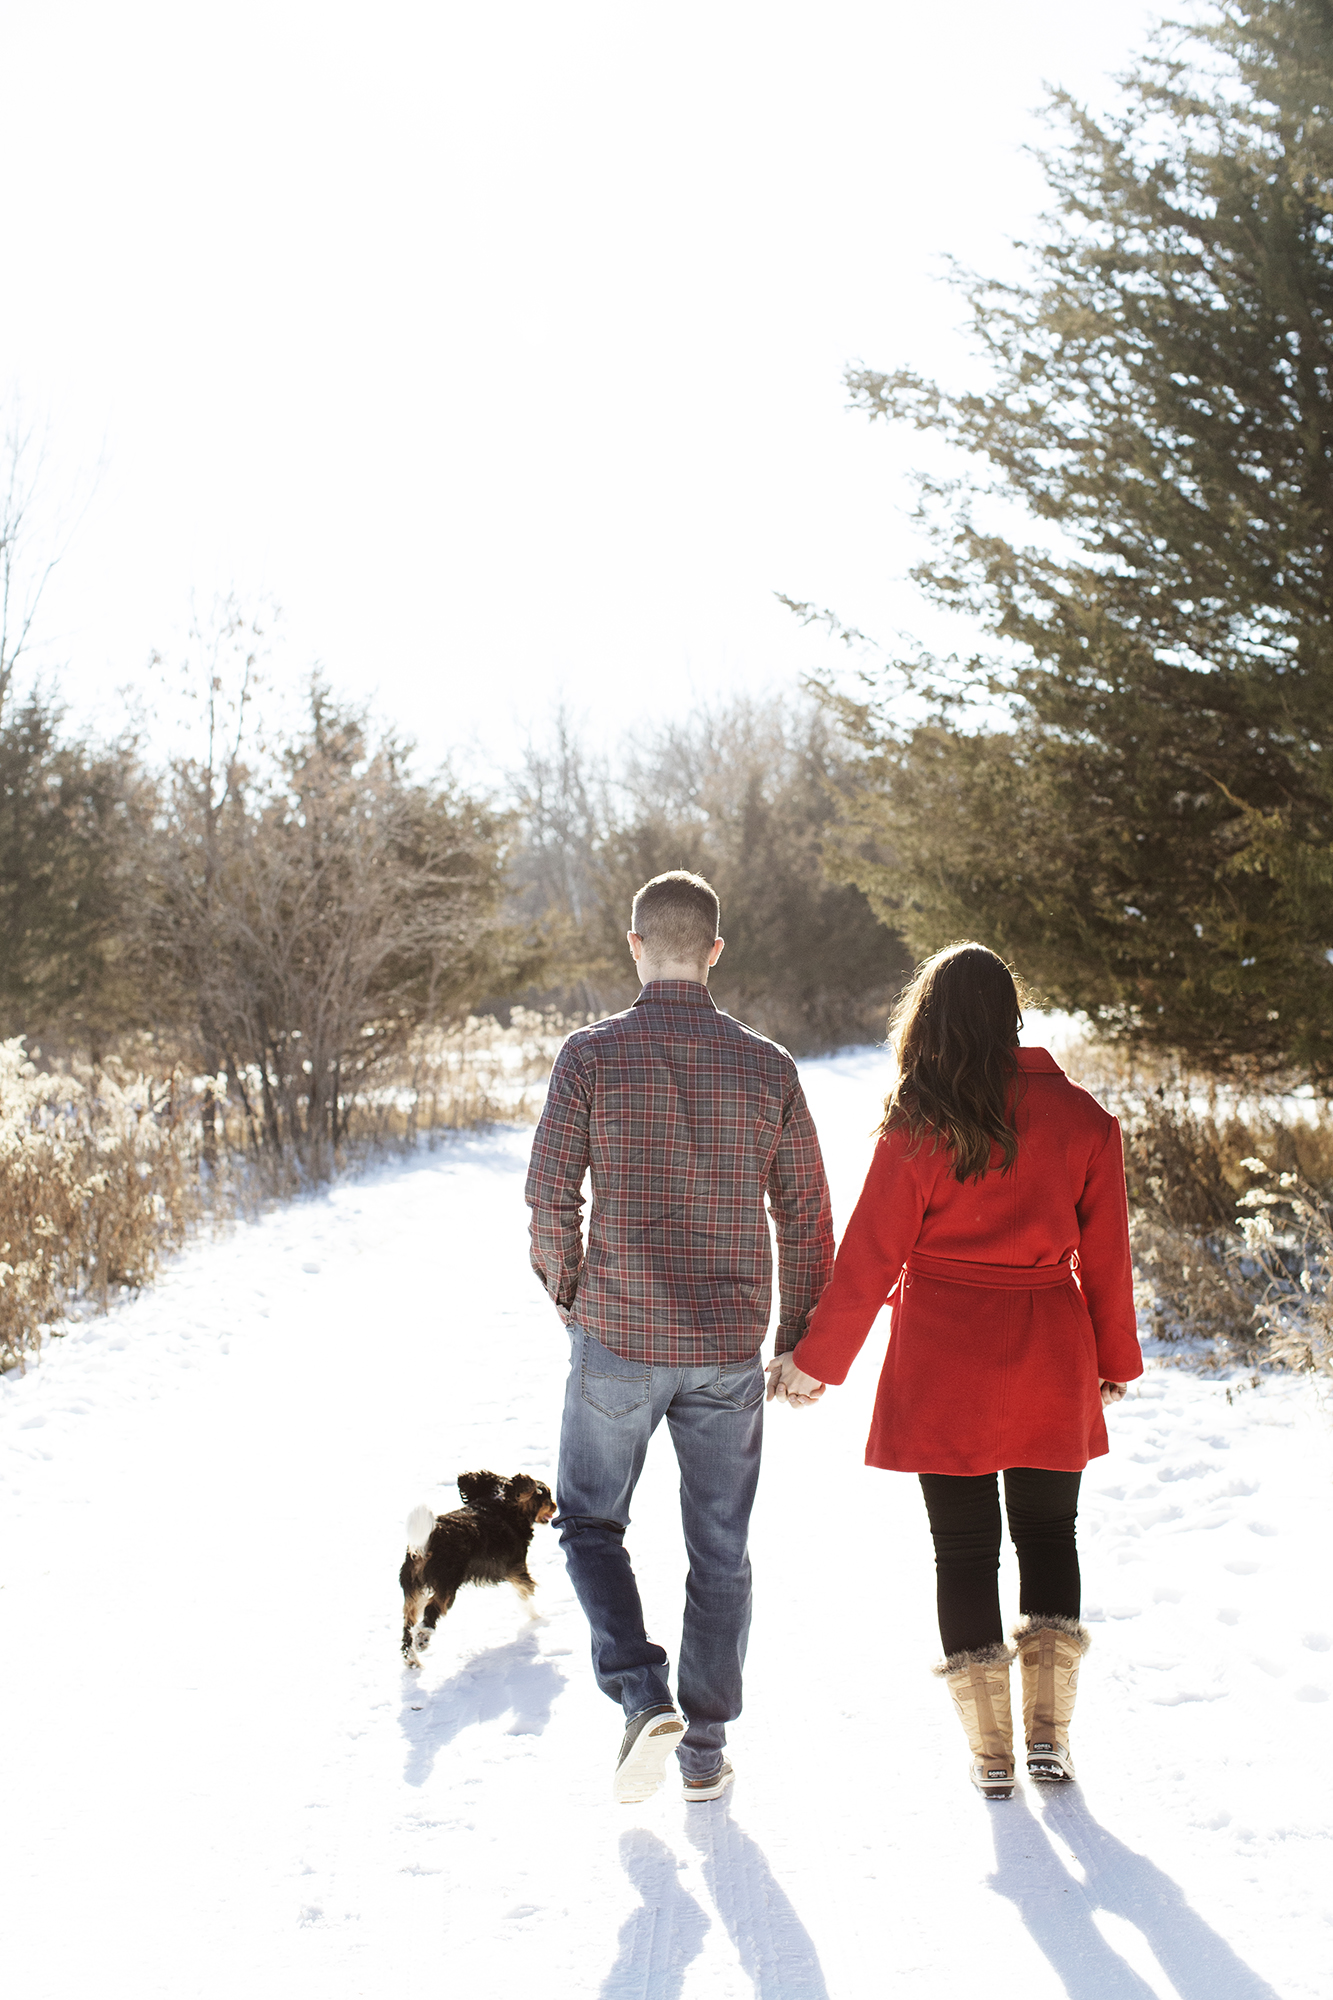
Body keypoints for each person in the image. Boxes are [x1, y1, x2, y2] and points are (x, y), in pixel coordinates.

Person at [767, 942, 1142, 1799]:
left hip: (944, 1359)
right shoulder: (1083, 1119)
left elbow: (867, 1259)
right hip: (1049, 1347)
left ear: (929, 1019)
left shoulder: (918, 1123)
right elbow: (1110, 1258)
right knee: (1050, 1537)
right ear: (1012, 1014)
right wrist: (1112, 1360)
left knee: (962, 1550)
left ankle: (991, 1756)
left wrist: (815, 1364)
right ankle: (1048, 1740)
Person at [526, 870, 834, 1805]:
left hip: (618, 1335)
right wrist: (798, 1338)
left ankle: (638, 1695)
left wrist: (575, 1295)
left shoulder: (590, 1057)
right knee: (720, 1548)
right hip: (726, 1349)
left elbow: (548, 1198)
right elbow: (807, 1216)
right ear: (713, 951)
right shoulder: (767, 1067)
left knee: (587, 1522)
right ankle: (702, 1750)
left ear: (633, 946)